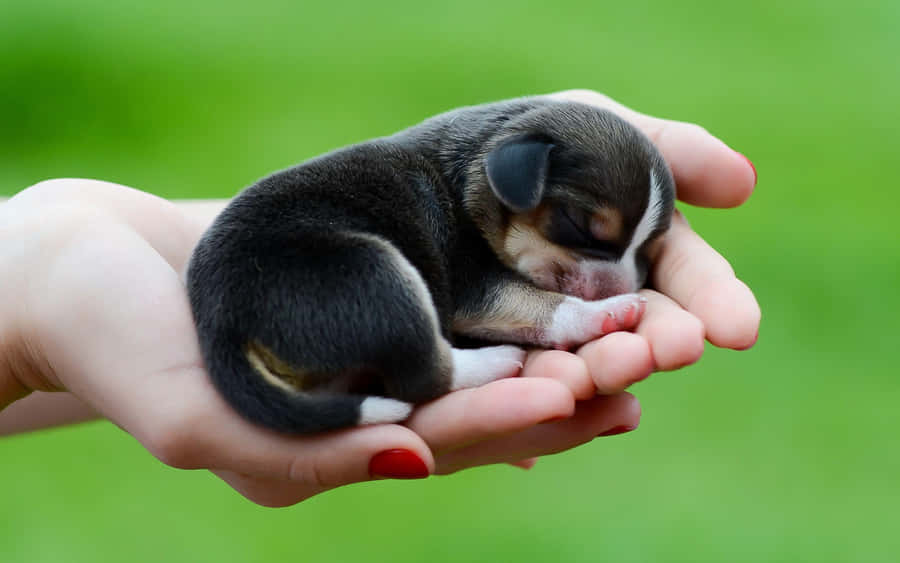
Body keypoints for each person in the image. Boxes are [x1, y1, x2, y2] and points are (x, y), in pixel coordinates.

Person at [0, 90, 759, 507]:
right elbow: (473, 295)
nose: (613, 279)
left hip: (268, 282)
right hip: (293, 270)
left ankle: (366, 371)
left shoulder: (454, 181)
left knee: (388, 275)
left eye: (636, 255)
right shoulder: (455, 207)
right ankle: (437, 370)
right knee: (392, 281)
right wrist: (569, 320)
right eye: (585, 234)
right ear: (509, 175)